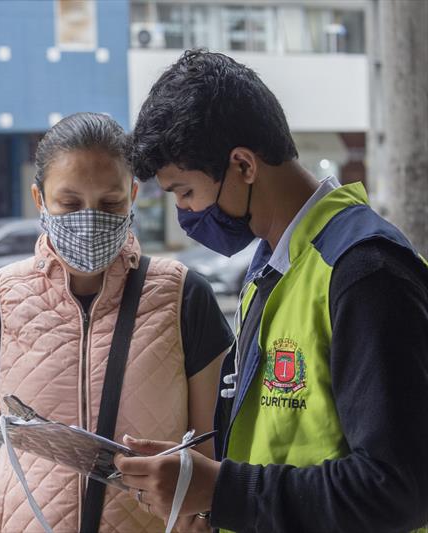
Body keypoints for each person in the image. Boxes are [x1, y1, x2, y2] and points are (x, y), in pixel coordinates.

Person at [116, 49, 428, 533]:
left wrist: (222, 490)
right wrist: (205, 494)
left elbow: (399, 489)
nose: (185, 213)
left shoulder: (365, 273)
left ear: (243, 165)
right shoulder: (273, 266)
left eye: (186, 192)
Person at [0, 112, 233, 532]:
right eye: (69, 203)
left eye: (110, 203)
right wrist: (15, 517)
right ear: (39, 198)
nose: (90, 220)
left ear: (132, 195)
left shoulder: (183, 296)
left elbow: (211, 445)